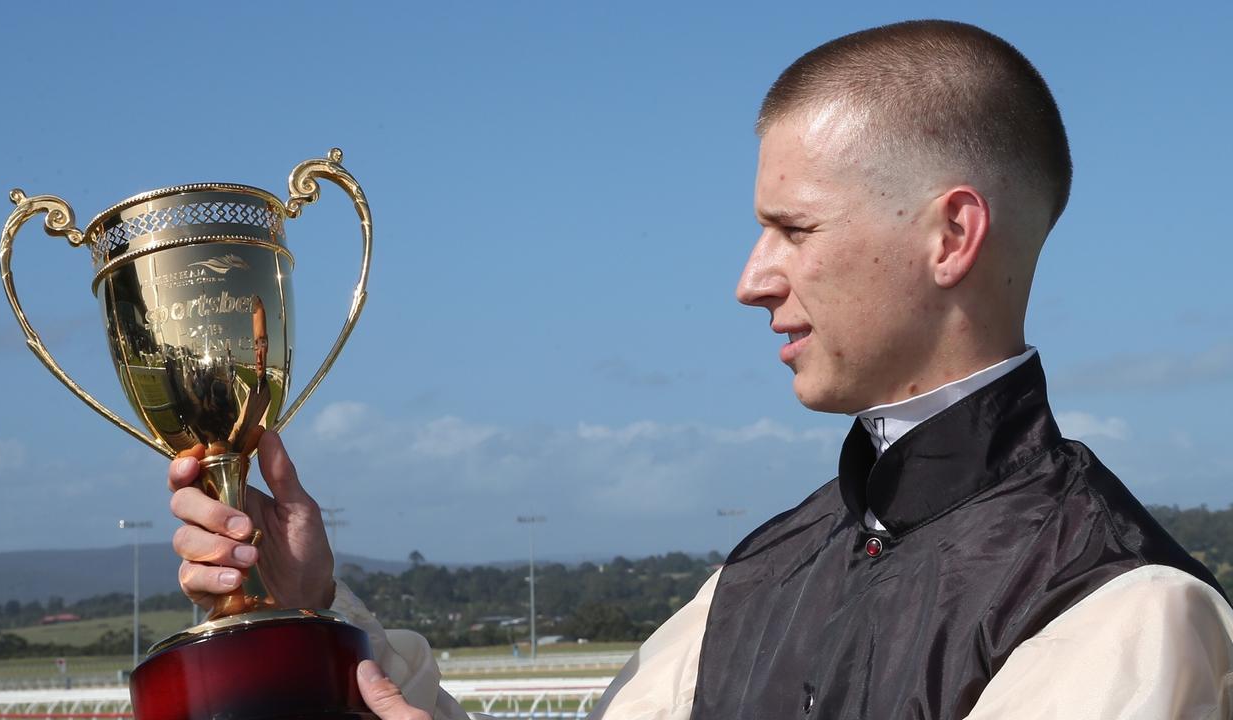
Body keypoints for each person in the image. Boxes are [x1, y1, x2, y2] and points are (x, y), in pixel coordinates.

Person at [168, 19, 1233, 720]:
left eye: (793, 227)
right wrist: (308, 613)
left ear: (950, 235)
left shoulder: (1123, 611)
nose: (749, 278)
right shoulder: (756, 576)